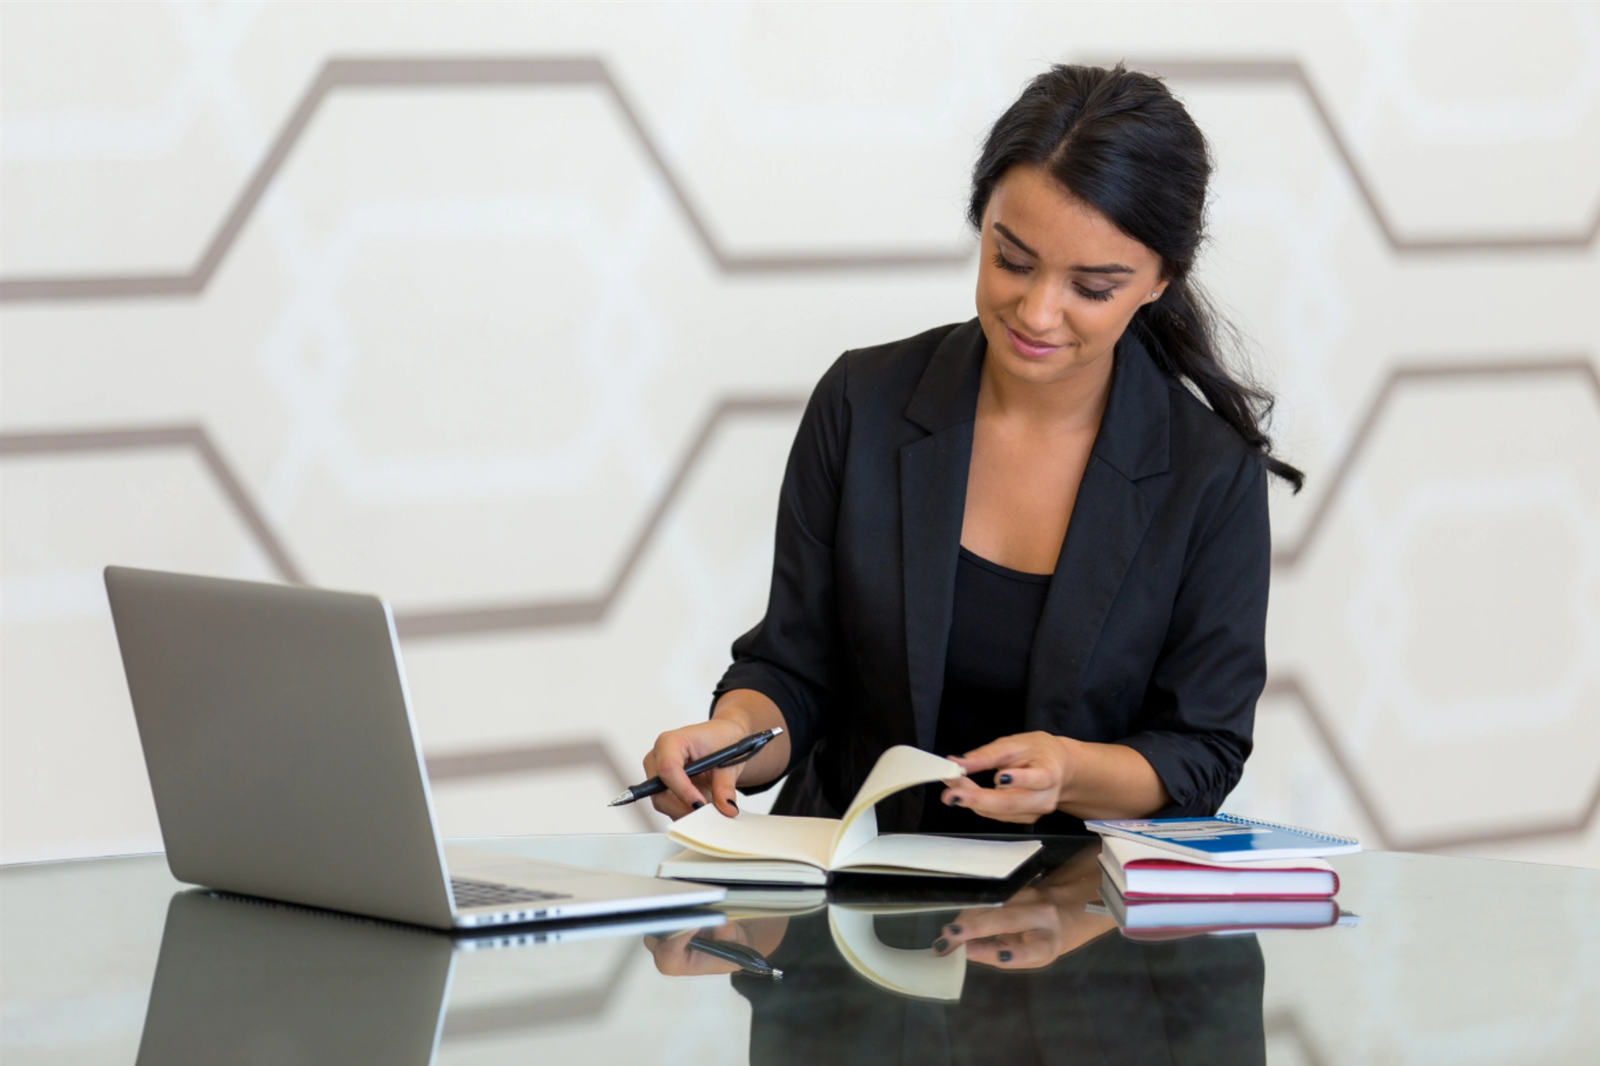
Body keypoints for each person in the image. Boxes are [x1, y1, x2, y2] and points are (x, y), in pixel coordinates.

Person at [641, 62, 1302, 835]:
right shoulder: (862, 403)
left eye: (1092, 288)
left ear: (1160, 280)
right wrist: (731, 738)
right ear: (981, 220)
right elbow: (794, 668)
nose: (1038, 312)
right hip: (848, 880)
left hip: (1068, 899)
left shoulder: (1208, 475)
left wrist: (1069, 773)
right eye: (1012, 260)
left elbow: (1202, 751)